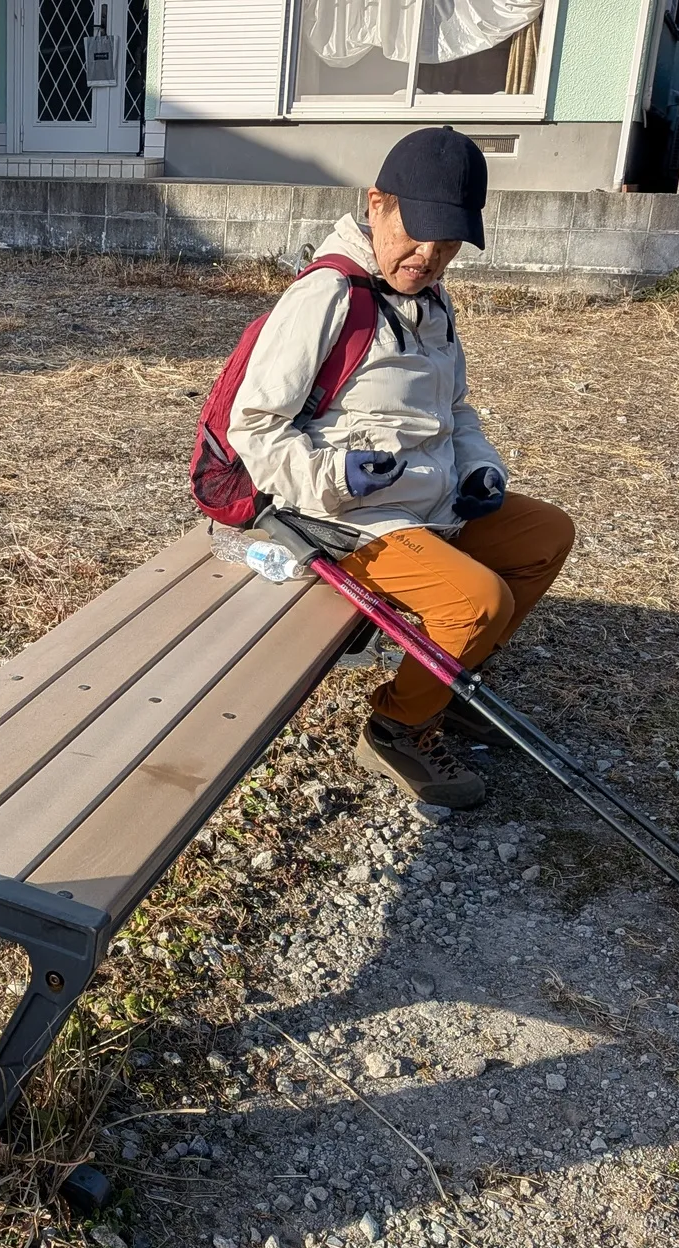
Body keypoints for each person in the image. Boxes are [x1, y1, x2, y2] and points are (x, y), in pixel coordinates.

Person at [227, 126, 575, 810]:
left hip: (427, 500)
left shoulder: (432, 301)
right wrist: (337, 476)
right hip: (343, 517)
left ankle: (448, 684)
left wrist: (478, 468)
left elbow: (456, 409)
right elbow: (255, 429)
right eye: (417, 235)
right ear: (376, 204)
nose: (428, 257)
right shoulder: (327, 297)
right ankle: (398, 725)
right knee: (478, 602)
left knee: (546, 534)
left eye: (448, 244)